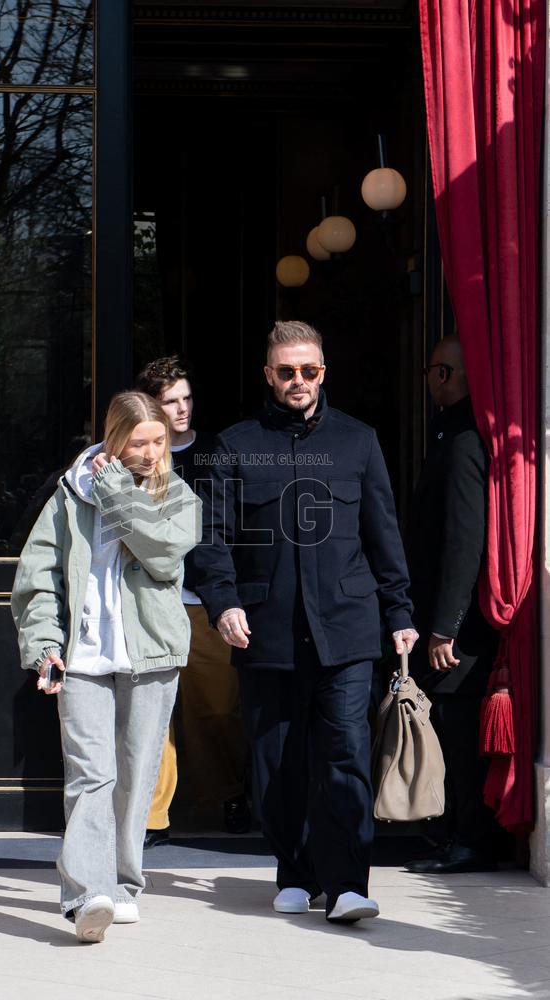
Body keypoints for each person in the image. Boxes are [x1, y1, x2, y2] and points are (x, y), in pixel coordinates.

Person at [193, 320, 418, 923]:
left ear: (324, 372)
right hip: (264, 631)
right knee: (277, 761)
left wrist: (399, 610)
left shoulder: (359, 441)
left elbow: (383, 533)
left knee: (344, 754)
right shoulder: (234, 446)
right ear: (269, 375)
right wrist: (224, 602)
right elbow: (210, 539)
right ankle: (294, 870)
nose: (298, 381)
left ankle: (347, 883)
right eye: (286, 371)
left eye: (309, 370)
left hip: (347, 629)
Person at [11, 391, 202, 942]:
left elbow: (162, 552)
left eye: (159, 441)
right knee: (91, 776)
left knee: (138, 774)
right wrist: (45, 642)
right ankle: (86, 895)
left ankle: (123, 884)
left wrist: (117, 489)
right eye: (138, 442)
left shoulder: (178, 494)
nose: (150, 453)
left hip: (153, 655)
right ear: (114, 439)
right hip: (84, 656)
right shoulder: (70, 495)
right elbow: (38, 574)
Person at [135, 357, 250, 846]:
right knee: (153, 714)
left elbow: (229, 529)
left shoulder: (216, 452)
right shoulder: (134, 456)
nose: (182, 409)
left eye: (186, 398)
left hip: (204, 601)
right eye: (170, 402)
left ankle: (229, 796)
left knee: (216, 708)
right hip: (149, 599)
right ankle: (153, 817)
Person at [404, 335, 500, 874]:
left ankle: (470, 839)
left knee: (459, 735)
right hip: (443, 621)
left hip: (456, 631)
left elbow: (466, 539)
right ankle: (452, 833)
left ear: (444, 375)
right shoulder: (450, 430)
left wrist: (446, 627)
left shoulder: (464, 439)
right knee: (446, 726)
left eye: (430, 371)